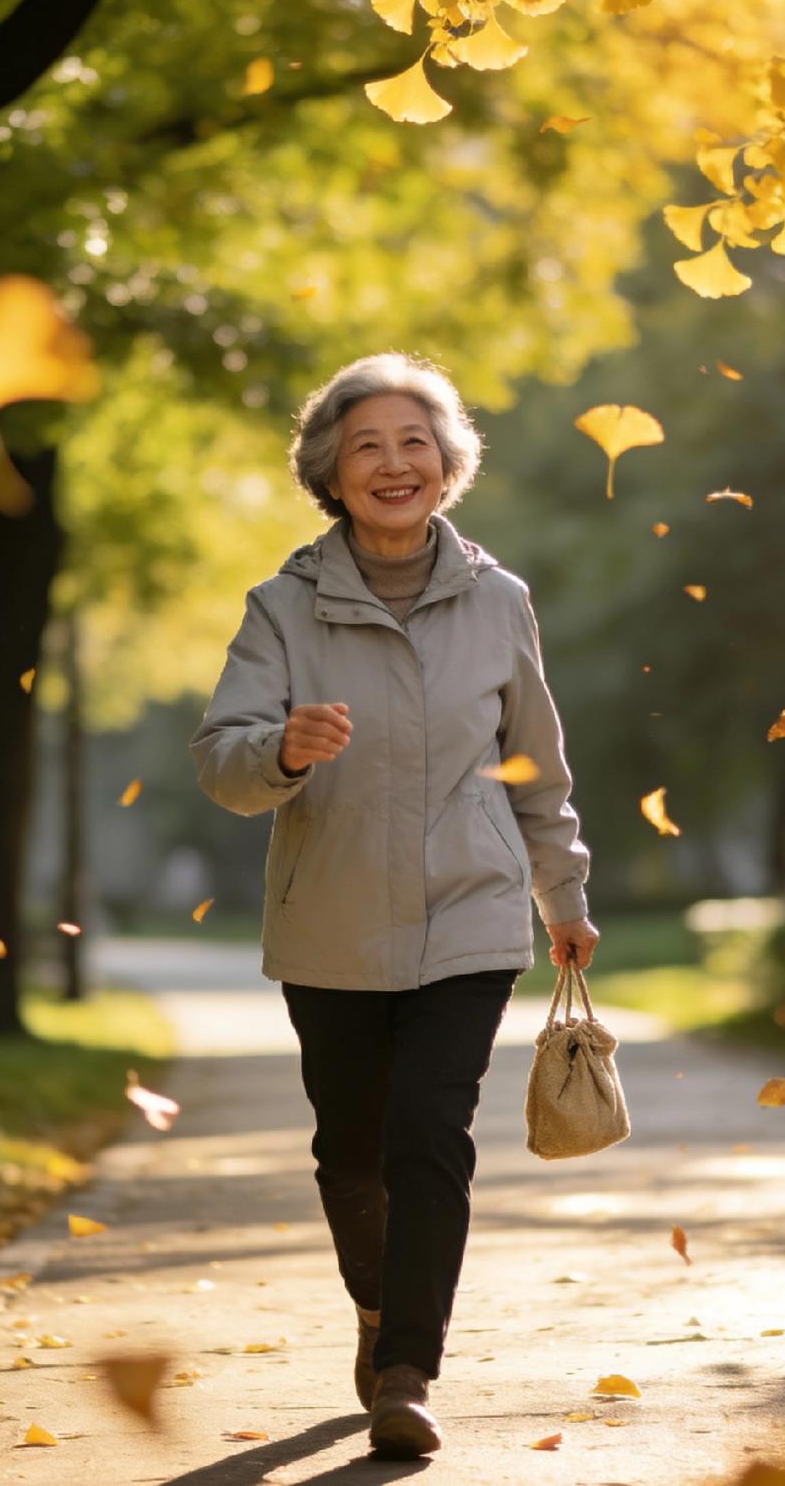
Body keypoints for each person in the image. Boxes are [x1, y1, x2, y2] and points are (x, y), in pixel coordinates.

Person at [190, 352, 597, 1459]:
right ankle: (375, 1315)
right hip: (329, 922)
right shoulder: (280, 608)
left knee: (431, 1137)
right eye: (365, 445)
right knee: (352, 1150)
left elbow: (537, 769)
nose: (392, 463)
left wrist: (562, 892)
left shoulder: (499, 600)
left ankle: (407, 1368)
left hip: (469, 916)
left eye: (414, 442)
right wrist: (279, 747)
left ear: (447, 464)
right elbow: (221, 762)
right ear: (329, 470)